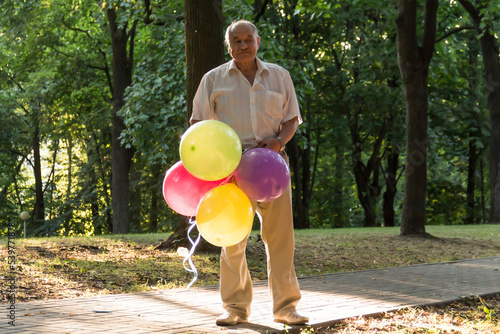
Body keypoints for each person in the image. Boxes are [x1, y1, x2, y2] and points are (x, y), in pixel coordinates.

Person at [190, 19, 308, 327]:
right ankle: (235, 308)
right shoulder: (213, 79)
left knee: (281, 239)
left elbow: (292, 119)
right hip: (232, 170)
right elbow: (198, 125)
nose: (243, 45)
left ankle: (286, 307)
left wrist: (280, 141)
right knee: (232, 240)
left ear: (258, 42)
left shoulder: (279, 76)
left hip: (272, 168)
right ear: (228, 47)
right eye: (236, 41)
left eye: (248, 39)